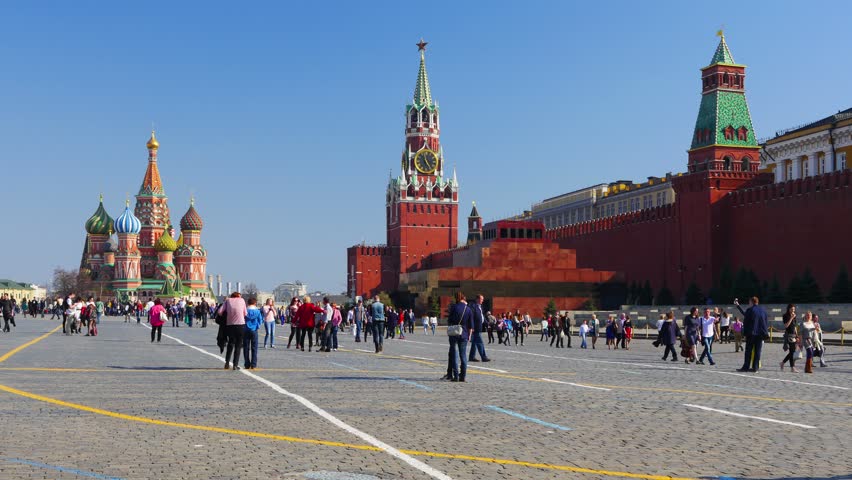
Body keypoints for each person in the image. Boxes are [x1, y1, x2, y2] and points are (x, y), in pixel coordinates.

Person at [444, 291, 473, 382]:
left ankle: (455, 376)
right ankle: (463, 376)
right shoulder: (468, 309)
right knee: (463, 355)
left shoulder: (454, 307)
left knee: (454, 355)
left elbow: (450, 320)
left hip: (454, 333)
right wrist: (469, 335)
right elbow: (471, 325)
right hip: (464, 333)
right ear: (463, 298)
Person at [735, 296, 769, 373]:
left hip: (751, 334)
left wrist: (744, 333)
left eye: (749, 302)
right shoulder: (763, 310)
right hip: (760, 334)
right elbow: (765, 321)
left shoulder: (750, 310)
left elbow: (746, 321)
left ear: (751, 302)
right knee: (757, 351)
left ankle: (746, 367)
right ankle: (755, 368)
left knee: (748, 351)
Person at [218, 292, 248, 370]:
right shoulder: (242, 300)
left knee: (230, 344)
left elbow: (220, 312)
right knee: (238, 345)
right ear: (238, 296)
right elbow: (245, 313)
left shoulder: (227, 301)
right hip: (240, 325)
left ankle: (227, 362)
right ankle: (235, 364)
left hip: (230, 325)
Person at [468, 294, 490, 362]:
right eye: (481, 299)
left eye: (483, 299)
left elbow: (482, 316)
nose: (482, 301)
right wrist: (472, 326)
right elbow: (471, 317)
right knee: (480, 342)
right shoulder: (473, 306)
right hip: (475, 328)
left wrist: (487, 323)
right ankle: (484, 357)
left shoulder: (480, 306)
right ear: (477, 299)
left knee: (474, 343)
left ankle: (471, 357)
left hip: (479, 327)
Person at [243, 298, 263, 369]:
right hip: (254, 330)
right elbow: (260, 320)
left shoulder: (245, 311)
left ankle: (246, 364)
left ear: (248, 303)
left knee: (246, 347)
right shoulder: (257, 311)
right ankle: (253, 364)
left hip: (245, 329)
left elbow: (243, 319)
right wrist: (257, 326)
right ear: (255, 303)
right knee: (254, 348)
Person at [779, 304, 799, 372]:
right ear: (788, 309)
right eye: (791, 309)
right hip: (788, 335)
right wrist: (791, 318)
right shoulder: (785, 316)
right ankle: (792, 367)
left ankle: (783, 363)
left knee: (792, 352)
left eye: (794, 309)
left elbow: (795, 326)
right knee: (792, 351)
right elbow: (786, 326)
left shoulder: (794, 316)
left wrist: (797, 335)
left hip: (794, 335)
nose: (793, 310)